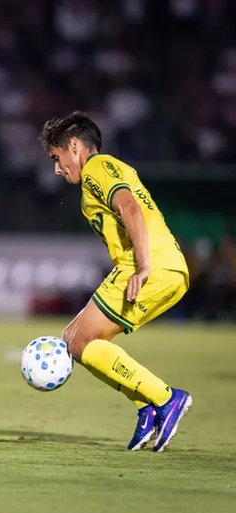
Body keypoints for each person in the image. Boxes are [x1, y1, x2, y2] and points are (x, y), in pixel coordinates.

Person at [39, 111, 192, 452]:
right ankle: (147, 408)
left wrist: (142, 266)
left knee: (78, 341)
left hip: (150, 266)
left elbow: (130, 208)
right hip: (165, 268)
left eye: (56, 157)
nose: (57, 168)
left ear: (75, 146)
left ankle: (166, 399)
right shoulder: (99, 177)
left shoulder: (97, 167)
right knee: (75, 340)